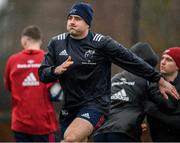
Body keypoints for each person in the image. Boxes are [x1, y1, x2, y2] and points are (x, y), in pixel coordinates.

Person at [38, 2, 179, 142]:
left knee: (70, 138)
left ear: (87, 23)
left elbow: (132, 61)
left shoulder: (101, 43)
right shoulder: (57, 43)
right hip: (69, 106)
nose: (72, 22)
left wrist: (158, 79)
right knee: (75, 140)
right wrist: (55, 70)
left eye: (77, 18)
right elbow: (43, 74)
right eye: (70, 18)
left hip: (95, 105)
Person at [93, 42, 158, 142]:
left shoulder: (114, 78)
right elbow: (154, 104)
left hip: (101, 132)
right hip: (125, 132)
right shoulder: (148, 79)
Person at [4, 25, 58, 142]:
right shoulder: (49, 59)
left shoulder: (12, 60)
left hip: (20, 124)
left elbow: (9, 87)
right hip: (44, 124)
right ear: (40, 41)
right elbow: (57, 91)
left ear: (24, 40)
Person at [145, 47, 180, 142]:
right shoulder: (152, 85)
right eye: (163, 58)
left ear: (177, 66)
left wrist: (154, 112)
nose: (163, 62)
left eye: (169, 60)